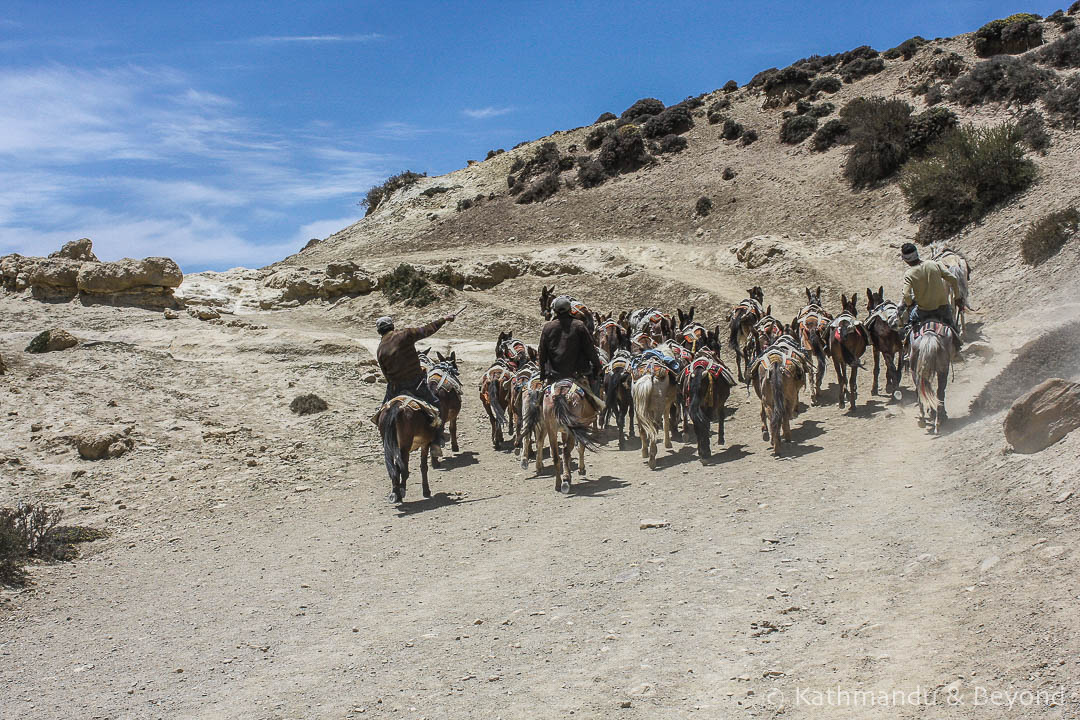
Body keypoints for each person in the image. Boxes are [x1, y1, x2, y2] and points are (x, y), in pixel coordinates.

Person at [373, 313, 456, 439]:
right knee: (437, 405)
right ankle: (436, 442)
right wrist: (444, 319)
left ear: (379, 331)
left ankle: (385, 437)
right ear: (392, 326)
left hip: (395, 387)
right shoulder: (405, 335)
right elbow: (426, 329)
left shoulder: (380, 349)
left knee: (381, 413)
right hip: (416, 384)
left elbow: (385, 374)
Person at [538, 296, 606, 410]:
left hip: (554, 375)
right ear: (570, 309)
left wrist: (542, 373)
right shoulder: (579, 325)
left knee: (538, 401)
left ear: (554, 310)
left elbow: (542, 353)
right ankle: (595, 409)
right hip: (577, 373)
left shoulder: (548, 327)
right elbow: (590, 349)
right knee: (594, 387)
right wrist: (598, 367)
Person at [897, 243, 962, 351]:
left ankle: (907, 349)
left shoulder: (909, 274)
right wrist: (957, 297)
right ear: (917, 254)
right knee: (952, 326)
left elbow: (907, 295)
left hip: (923, 311)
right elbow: (953, 279)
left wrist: (909, 304)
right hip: (942, 308)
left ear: (905, 260)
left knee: (909, 327)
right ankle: (957, 347)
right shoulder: (934, 264)